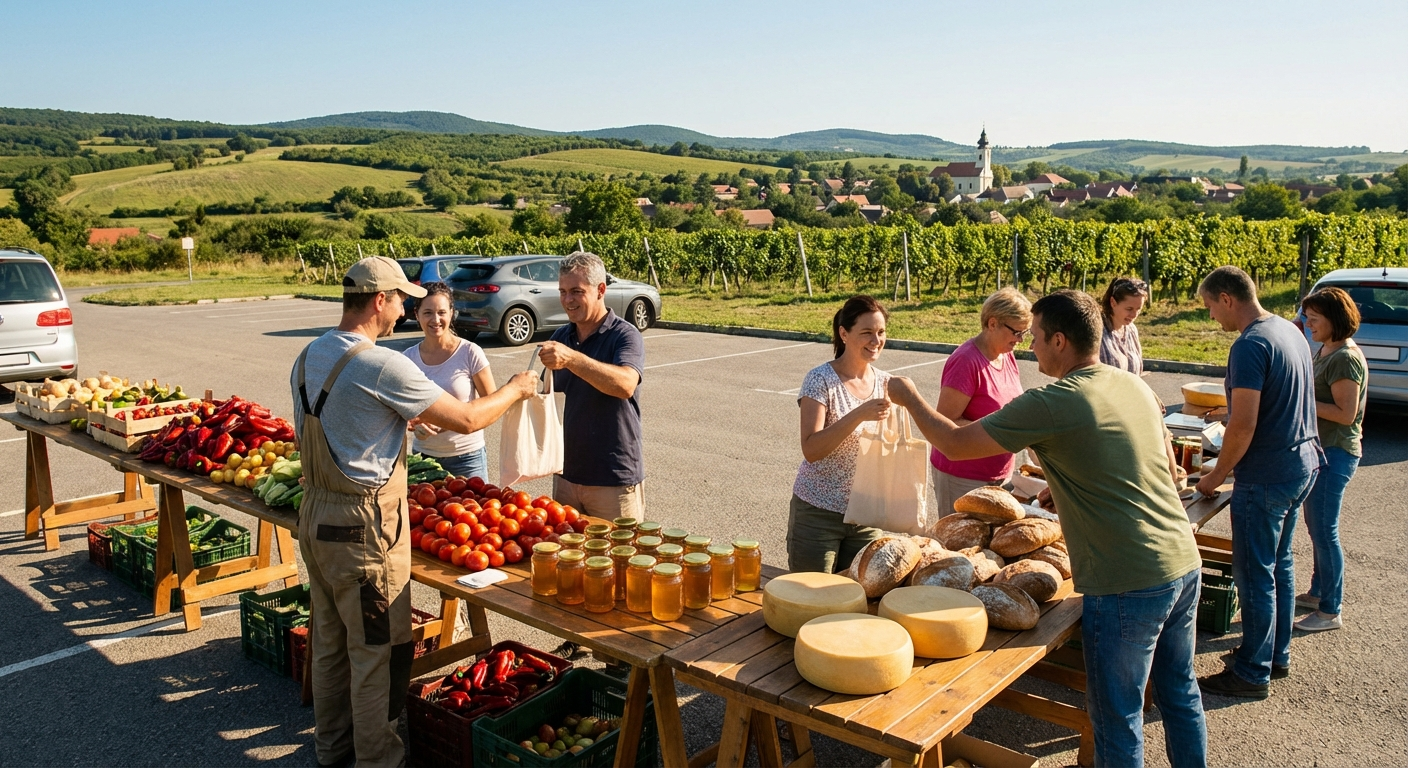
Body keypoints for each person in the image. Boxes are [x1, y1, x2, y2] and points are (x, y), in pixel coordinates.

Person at [888, 289, 1206, 768]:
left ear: (1060, 340)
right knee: (1179, 696)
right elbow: (1163, 466)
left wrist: (909, 397)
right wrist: (1074, 479)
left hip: (1126, 580)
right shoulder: (1132, 385)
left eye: (1034, 337)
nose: (1029, 346)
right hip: (1183, 561)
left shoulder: (1053, 401)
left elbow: (953, 443)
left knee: (1118, 719)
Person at [291, 256, 537, 768]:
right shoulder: (380, 363)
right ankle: (378, 760)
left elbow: (342, 426)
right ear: (378, 300)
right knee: (377, 655)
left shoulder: (309, 354)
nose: (406, 308)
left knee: (332, 646)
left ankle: (331, 752)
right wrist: (516, 388)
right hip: (362, 530)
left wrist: (392, 429)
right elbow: (469, 418)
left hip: (315, 518)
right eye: (401, 298)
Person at [1194, 265, 1322, 700]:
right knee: (1279, 566)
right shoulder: (1290, 331)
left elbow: (1244, 425)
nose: (1212, 316)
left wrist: (1214, 475)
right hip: (1302, 464)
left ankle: (1251, 673)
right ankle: (1274, 655)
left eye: (1210, 306)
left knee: (1254, 575)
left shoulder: (1249, 345)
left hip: (1266, 475)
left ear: (1227, 298)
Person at [538, 252, 646, 520]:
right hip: (566, 475)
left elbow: (625, 384)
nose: (567, 300)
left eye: (576, 291)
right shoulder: (562, 336)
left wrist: (572, 359)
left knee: (620, 558)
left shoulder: (624, 334)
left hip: (613, 478)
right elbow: (544, 392)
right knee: (570, 558)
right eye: (563, 291)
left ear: (600, 290)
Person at [787, 295, 892, 573]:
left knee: (858, 598)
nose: (876, 340)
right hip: (818, 512)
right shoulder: (820, 379)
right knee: (811, 596)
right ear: (844, 334)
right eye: (867, 332)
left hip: (867, 516)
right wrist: (858, 414)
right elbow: (811, 448)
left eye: (881, 332)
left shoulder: (886, 383)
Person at [1294, 287, 1366, 633]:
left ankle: (1330, 611)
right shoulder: (1327, 349)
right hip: (1325, 451)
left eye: (1314, 318)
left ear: (1334, 320)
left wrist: (1302, 400)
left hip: (1336, 453)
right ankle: (1318, 591)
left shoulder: (1344, 358)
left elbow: (1346, 413)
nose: (1308, 323)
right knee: (1317, 525)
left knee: (1325, 531)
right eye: (1307, 316)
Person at [928, 287, 1029, 519]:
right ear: (992, 323)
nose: (1021, 340)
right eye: (1016, 332)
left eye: (1025, 333)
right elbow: (945, 421)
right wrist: (1003, 430)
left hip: (999, 473)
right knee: (960, 548)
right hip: (963, 477)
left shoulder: (1006, 354)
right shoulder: (966, 360)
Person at [403, 282, 496, 481]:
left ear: (452, 313)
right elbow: (398, 412)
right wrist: (410, 423)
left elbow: (492, 406)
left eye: (442, 312)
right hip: (423, 460)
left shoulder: (470, 352)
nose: (435, 319)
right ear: (416, 314)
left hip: (468, 459)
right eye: (427, 312)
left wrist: (446, 422)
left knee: (475, 511)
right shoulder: (406, 359)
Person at [1099, 276, 1150, 374]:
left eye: (1138, 309)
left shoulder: (1131, 330)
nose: (1134, 315)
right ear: (1113, 302)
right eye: (1129, 309)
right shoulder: (1097, 331)